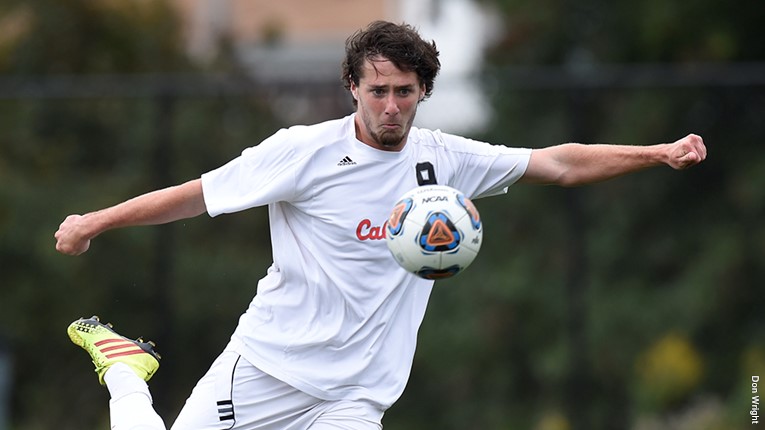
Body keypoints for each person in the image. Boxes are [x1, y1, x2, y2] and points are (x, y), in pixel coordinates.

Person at [55, 20, 707, 430]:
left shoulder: (445, 160)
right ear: (350, 88)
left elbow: (557, 164)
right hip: (268, 366)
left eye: (404, 91)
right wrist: (94, 221)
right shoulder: (302, 151)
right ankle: (123, 369)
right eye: (377, 91)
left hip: (357, 396)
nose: (391, 105)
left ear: (422, 91)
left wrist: (655, 153)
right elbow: (196, 196)